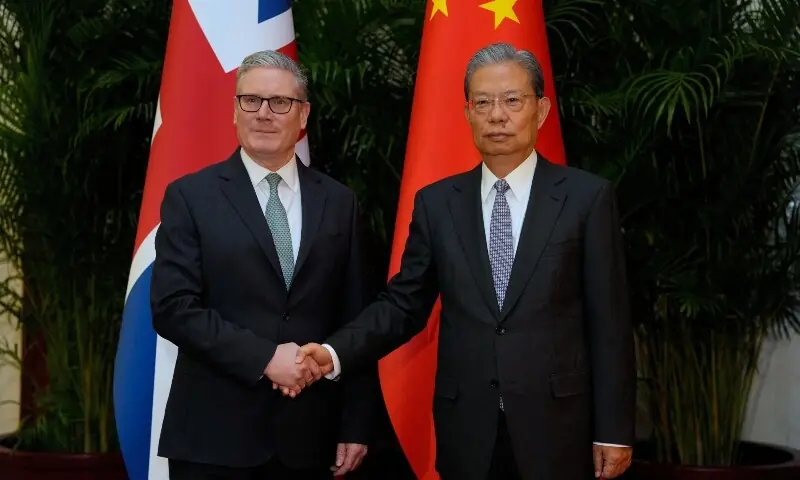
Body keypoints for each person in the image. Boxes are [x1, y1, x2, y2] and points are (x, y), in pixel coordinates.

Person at [290, 43, 637, 480]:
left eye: (512, 100)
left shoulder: (586, 198)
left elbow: (609, 323)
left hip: (558, 428)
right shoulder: (438, 205)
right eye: (483, 102)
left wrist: (614, 430)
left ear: (542, 109)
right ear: (467, 112)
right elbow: (403, 304)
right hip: (468, 430)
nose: (497, 115)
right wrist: (333, 352)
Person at [150, 50, 381, 479]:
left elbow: (357, 318)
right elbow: (173, 308)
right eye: (250, 100)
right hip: (212, 440)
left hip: (311, 440)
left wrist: (356, 422)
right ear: (234, 110)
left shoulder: (339, 203)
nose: (264, 114)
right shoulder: (190, 197)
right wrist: (264, 357)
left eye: (280, 102)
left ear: (303, 114)